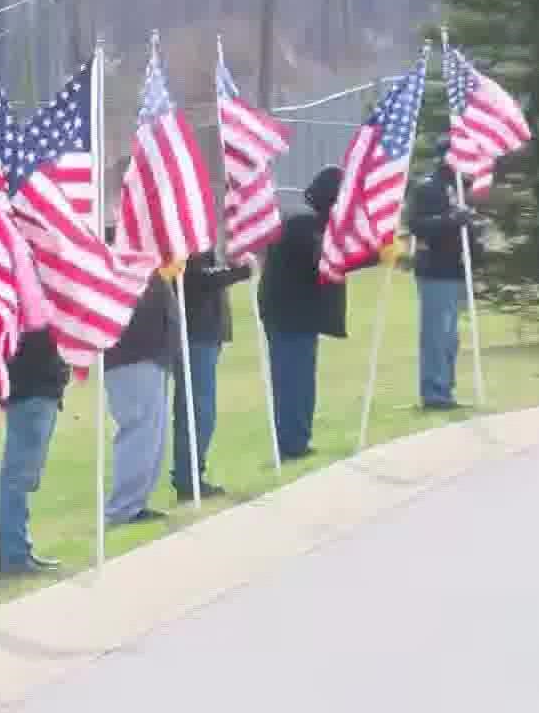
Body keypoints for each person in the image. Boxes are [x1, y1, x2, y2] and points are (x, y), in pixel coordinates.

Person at [258, 165, 381, 459]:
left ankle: (298, 439)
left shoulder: (311, 221)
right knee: (292, 381)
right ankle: (290, 445)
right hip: (288, 314)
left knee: (301, 380)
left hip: (298, 314)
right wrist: (371, 256)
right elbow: (327, 261)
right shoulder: (303, 223)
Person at [170, 252, 253, 499]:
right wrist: (239, 272)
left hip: (204, 333)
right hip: (195, 334)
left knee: (199, 410)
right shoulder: (187, 241)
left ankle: (190, 474)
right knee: (197, 410)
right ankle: (188, 478)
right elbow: (197, 280)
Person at [407, 160, 483, 410]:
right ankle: (434, 392)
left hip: (456, 270)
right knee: (436, 335)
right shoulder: (428, 187)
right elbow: (417, 225)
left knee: (450, 338)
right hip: (435, 271)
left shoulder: (461, 187)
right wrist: (450, 219)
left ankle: (445, 387)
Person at [105, 268, 176, 526]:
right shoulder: (125, 261)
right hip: (133, 356)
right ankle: (124, 507)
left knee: (151, 434)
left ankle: (135, 503)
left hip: (149, 356)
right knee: (139, 431)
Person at [0, 329, 66, 575]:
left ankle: (16, 549)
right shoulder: (26, 295)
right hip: (30, 387)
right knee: (16, 476)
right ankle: (13, 554)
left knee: (19, 476)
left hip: (33, 386)